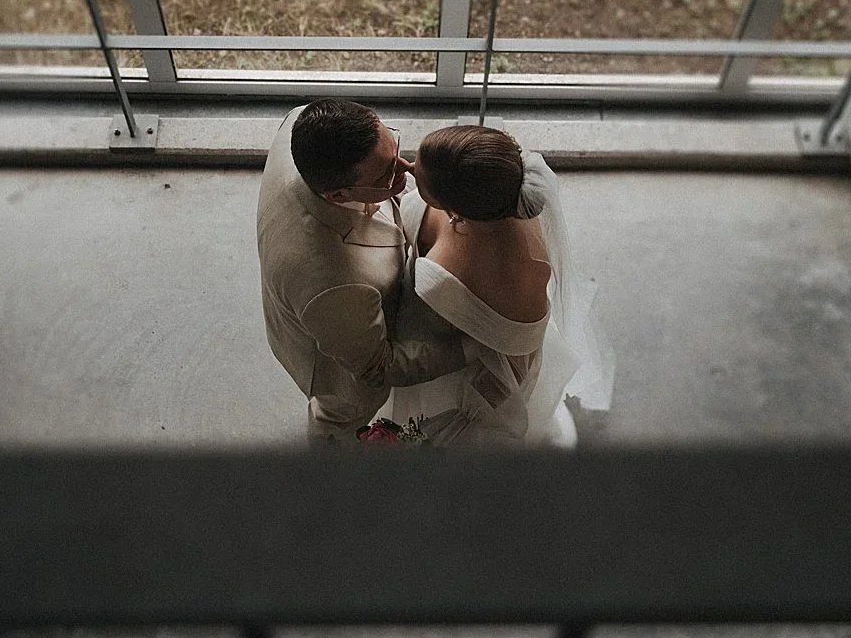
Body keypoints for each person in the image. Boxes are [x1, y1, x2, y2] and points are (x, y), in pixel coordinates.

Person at [257, 99, 471, 445]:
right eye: (386, 174)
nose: (407, 168)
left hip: (316, 305)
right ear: (339, 194)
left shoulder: (301, 118)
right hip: (337, 364)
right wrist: (470, 351)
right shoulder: (337, 281)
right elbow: (378, 368)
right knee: (338, 423)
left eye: (395, 148)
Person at [384, 125, 613, 446]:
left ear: (456, 209)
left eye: (418, 178)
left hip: (456, 364)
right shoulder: (491, 197)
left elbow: (518, 353)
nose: (406, 169)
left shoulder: (515, 280)